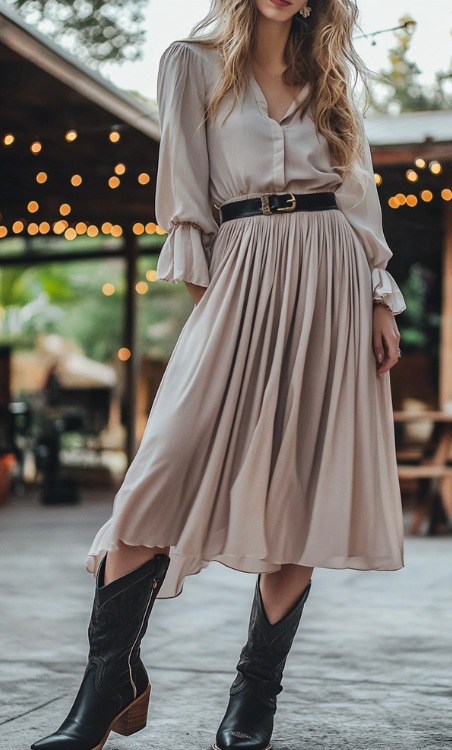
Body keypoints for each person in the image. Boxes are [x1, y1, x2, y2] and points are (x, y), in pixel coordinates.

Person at [32, 1, 406, 749]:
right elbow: (185, 200)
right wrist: (219, 311)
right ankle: (108, 684)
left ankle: (253, 699)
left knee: (304, 481)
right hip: (238, 273)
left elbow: (357, 196)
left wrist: (379, 298)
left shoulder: (329, 74)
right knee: (158, 473)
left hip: (333, 279)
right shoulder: (190, 63)